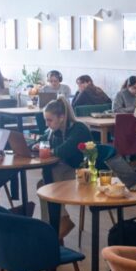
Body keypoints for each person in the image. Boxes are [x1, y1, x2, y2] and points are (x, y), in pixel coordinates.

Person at [35, 97, 91, 236]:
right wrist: (36, 145)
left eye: (49, 120)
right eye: (45, 120)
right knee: (44, 183)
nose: (47, 124)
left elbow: (64, 150)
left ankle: (54, 226)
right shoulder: (52, 131)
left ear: (61, 117)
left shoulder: (79, 129)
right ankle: (58, 221)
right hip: (67, 170)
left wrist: (46, 149)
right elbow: (41, 141)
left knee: (49, 180)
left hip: (84, 173)